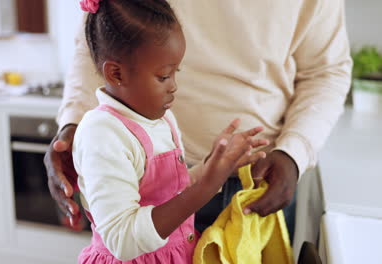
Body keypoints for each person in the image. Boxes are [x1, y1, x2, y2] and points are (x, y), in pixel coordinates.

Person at [45, 0, 352, 244]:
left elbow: (326, 72)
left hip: (258, 184)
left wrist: (294, 153)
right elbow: (95, 42)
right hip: (144, 185)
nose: (175, 87)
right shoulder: (109, 137)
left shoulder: (168, 124)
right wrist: (72, 125)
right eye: (166, 76)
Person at [68, 0, 269, 262]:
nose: (174, 86)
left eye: (176, 72)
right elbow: (122, 239)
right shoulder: (102, 134)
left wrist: (214, 167)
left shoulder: (161, 120)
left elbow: (171, 191)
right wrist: (207, 187)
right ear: (116, 73)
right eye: (164, 76)